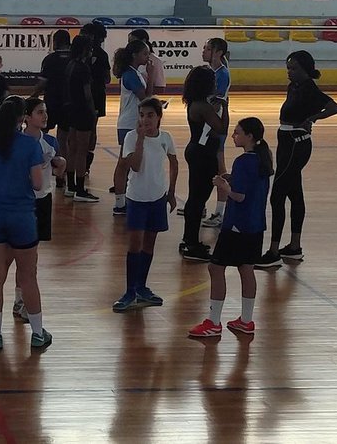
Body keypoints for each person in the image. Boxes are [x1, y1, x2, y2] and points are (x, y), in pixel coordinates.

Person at [0, 95, 64, 323]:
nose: (44, 116)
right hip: (22, 206)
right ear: (26, 117)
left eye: (45, 111)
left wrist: (60, 164)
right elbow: (31, 178)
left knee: (25, 262)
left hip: (39, 201)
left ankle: (18, 300)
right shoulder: (16, 142)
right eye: (39, 112)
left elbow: (56, 172)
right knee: (10, 260)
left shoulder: (50, 142)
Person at [189, 117, 273, 337]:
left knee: (216, 268)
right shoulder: (262, 161)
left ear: (250, 136)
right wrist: (232, 179)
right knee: (246, 269)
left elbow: (240, 196)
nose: (234, 136)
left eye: (237, 132)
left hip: (237, 226)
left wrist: (223, 185)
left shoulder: (243, 161)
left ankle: (213, 322)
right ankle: (246, 320)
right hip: (255, 225)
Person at [257, 51, 337, 267]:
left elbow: (334, 107)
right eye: (288, 68)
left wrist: (313, 118)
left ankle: (273, 251)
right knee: (294, 193)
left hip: (296, 143)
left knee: (277, 195)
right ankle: (294, 247)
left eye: (293, 68)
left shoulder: (309, 89)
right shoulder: (294, 86)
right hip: (287, 141)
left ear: (305, 69)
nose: (289, 72)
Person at [112, 98, 177, 312]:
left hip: (157, 198)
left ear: (159, 117)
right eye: (141, 115)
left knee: (149, 244)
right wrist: (140, 140)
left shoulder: (165, 138)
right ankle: (130, 290)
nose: (145, 119)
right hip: (137, 198)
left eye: (150, 115)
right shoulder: (131, 138)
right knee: (135, 244)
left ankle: (141, 287)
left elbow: (174, 162)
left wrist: (171, 192)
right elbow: (136, 167)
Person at [180, 66, 225, 262]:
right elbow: (221, 128)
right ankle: (191, 244)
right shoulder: (203, 107)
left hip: (197, 151)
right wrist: (225, 108)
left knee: (195, 198)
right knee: (198, 199)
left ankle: (188, 239)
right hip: (203, 155)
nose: (215, 84)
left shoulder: (196, 104)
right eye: (213, 81)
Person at [110, 39, 153, 215]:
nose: (147, 57)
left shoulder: (133, 72)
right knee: (124, 164)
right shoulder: (130, 74)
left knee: (128, 163)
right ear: (135, 55)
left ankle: (125, 199)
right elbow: (146, 99)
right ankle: (120, 203)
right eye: (145, 53)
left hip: (131, 122)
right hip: (128, 124)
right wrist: (150, 77)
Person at [33, 29, 73, 188]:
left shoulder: (50, 59)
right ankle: (61, 176)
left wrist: (33, 95)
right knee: (64, 140)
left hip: (51, 103)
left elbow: (42, 83)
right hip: (68, 103)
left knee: (41, 135)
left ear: (55, 42)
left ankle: (38, 164)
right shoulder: (73, 59)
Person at [62, 35, 99, 202]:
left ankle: (70, 186)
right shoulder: (83, 68)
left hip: (71, 109)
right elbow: (87, 94)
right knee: (82, 151)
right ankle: (80, 189)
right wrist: (93, 112)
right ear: (85, 49)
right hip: (83, 111)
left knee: (73, 149)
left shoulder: (70, 65)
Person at [202, 38, 233, 228]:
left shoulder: (222, 74)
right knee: (204, 167)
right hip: (208, 126)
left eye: (207, 49)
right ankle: (201, 204)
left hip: (216, 127)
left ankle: (220, 212)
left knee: (219, 167)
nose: (203, 51)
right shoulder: (210, 72)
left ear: (218, 52)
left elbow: (216, 103)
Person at [81, 23, 110, 177]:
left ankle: (80, 162)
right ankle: (85, 163)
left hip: (88, 96)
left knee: (80, 129)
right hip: (97, 95)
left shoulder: (81, 55)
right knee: (92, 129)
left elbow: (106, 77)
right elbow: (107, 78)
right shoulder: (103, 55)